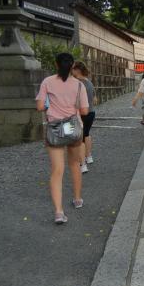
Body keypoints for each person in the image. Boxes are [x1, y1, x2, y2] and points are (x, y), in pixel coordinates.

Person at [36, 53, 89, 225]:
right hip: (73, 128)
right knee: (75, 164)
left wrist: (51, 106)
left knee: (57, 170)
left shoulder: (47, 82)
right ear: (73, 65)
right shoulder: (79, 85)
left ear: (56, 64)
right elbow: (85, 111)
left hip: (54, 129)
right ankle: (78, 199)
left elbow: (39, 106)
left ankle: (59, 212)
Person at [71, 61, 97, 174]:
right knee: (86, 134)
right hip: (91, 112)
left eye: (72, 69)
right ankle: (89, 156)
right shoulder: (89, 82)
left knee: (79, 139)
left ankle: (83, 164)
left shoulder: (77, 83)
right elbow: (95, 99)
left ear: (77, 70)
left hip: (80, 113)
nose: (71, 71)